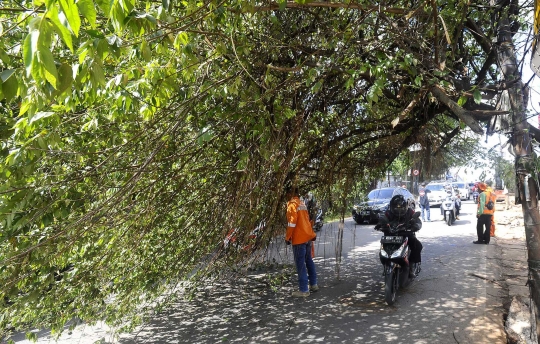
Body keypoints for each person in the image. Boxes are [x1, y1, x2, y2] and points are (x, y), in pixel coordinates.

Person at [375, 195, 423, 277]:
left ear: (405, 206)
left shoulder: (409, 212)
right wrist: (380, 224)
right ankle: (386, 265)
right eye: (396, 208)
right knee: (383, 248)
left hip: (406, 234)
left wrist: (416, 226)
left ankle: (411, 266)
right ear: (392, 207)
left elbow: (418, 221)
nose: (399, 209)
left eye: (401, 207)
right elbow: (383, 218)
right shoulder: (389, 213)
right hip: (390, 235)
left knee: (417, 245)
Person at [286, 186, 318, 297]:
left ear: (290, 193)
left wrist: (287, 237)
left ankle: (304, 290)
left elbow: (292, 223)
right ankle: (314, 284)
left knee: (300, 264)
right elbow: (307, 220)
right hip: (307, 237)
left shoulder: (292, 204)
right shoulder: (302, 204)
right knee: (308, 260)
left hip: (299, 238)